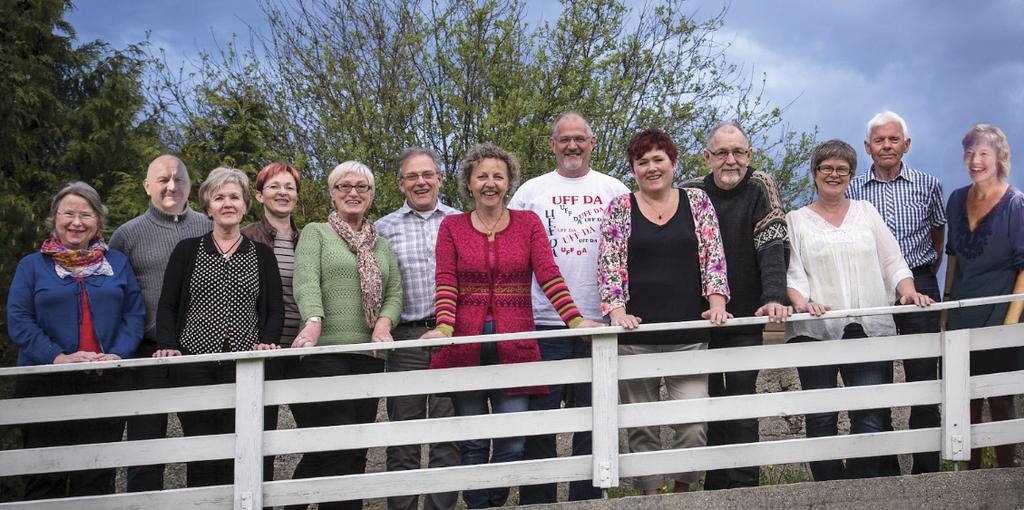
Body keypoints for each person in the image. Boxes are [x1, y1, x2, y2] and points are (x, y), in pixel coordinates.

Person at [421, 143, 601, 509]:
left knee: (513, 440)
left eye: (497, 176)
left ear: (509, 183)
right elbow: (446, 281)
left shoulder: (527, 224)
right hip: (464, 344)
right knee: (472, 441)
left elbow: (548, 275)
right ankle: (479, 506)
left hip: (516, 342)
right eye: (482, 176)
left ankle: (493, 501)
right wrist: (443, 327)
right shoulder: (451, 227)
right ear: (468, 184)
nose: (490, 183)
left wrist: (575, 319)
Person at [785, 140, 933, 481]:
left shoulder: (866, 212)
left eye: (842, 169)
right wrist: (803, 304)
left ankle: (861, 491)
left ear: (851, 175)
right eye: (827, 168)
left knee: (870, 416)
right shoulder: (797, 220)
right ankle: (829, 493)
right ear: (815, 173)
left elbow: (892, 261)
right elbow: (793, 272)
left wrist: (908, 292)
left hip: (869, 327)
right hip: (816, 330)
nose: (834, 175)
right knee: (821, 419)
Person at [598, 128, 731, 494]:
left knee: (692, 424)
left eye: (659, 160)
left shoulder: (698, 202)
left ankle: (683, 492)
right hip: (636, 338)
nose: (651, 168)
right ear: (633, 169)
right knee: (642, 427)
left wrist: (717, 302)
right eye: (642, 162)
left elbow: (714, 257)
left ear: (673, 163)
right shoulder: (620, 208)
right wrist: (616, 312)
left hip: (688, 337)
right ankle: (652, 496)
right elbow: (610, 264)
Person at [509, 111, 628, 504]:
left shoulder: (614, 190)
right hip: (544, 323)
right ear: (552, 144)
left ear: (592, 143)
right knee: (541, 420)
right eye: (565, 139)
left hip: (600, 324)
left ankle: (586, 499)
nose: (573, 145)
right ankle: (538, 499)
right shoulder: (531, 192)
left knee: (594, 420)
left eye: (580, 138)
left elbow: (630, 251)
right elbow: (511, 251)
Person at [7, 182, 145, 499]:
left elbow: (134, 316)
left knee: (96, 477)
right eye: (68, 213)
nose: (77, 222)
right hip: (44, 382)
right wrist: (58, 358)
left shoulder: (118, 264)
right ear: (54, 218)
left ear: (98, 221)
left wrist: (116, 354)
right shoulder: (31, 266)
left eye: (86, 214)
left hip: (105, 380)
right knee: (44, 477)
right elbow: (19, 320)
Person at [153, 167, 284, 488]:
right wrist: (168, 344)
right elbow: (167, 305)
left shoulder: (261, 254)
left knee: (245, 447)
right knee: (202, 450)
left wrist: (267, 341)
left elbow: (275, 310)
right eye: (219, 197)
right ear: (208, 206)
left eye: (234, 197)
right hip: (194, 362)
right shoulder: (187, 250)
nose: (228, 203)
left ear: (245, 205)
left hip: (245, 365)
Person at [682, 120, 790, 489]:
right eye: (722, 153)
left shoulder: (760, 185)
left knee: (741, 394)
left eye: (739, 152)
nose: (731, 160)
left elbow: (773, 244)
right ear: (707, 157)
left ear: (750, 155)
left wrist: (774, 296)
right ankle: (714, 485)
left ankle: (744, 484)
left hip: (746, 311)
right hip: (701, 315)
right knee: (707, 398)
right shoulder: (691, 192)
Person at [291, 161, 402, 510]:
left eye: (361, 187)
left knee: (356, 447)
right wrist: (313, 320)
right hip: (325, 352)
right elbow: (306, 280)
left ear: (370, 195)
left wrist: (383, 324)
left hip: (367, 356)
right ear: (332, 193)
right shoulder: (316, 233)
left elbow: (394, 292)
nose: (353, 193)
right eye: (344, 186)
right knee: (333, 442)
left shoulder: (380, 244)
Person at [847, 111, 945, 474]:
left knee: (923, 378)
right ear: (867, 147)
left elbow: (938, 238)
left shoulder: (928, 184)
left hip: (920, 283)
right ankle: (884, 471)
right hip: (870, 287)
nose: (886, 146)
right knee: (875, 378)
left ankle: (926, 471)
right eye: (879, 140)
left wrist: (922, 278)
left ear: (906, 144)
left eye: (893, 139)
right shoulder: (852, 189)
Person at [109, 154, 211, 492]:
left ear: (189, 186)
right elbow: (116, 299)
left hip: (199, 355)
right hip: (147, 355)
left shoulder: (209, 229)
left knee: (205, 446)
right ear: (147, 186)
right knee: (146, 447)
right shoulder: (127, 236)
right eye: (163, 179)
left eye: (179, 179)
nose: (172, 186)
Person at [376, 147, 460, 510]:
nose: (421, 182)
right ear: (400, 184)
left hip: (449, 336)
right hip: (406, 338)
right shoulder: (383, 229)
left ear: (440, 179)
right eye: (412, 176)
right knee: (404, 434)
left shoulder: (460, 221)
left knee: (447, 432)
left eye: (428, 174)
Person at [944, 124, 1023, 469]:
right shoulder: (956, 199)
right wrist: (945, 314)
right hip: (961, 315)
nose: (975, 160)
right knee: (965, 404)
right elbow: (953, 257)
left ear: (999, 158)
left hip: (1001, 315)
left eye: (983, 153)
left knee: (1001, 399)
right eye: (970, 153)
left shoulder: (1017, 204)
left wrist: (1008, 325)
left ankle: (1007, 475)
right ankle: (970, 481)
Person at [240, 162, 303, 482]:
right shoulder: (245, 239)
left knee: (317, 435)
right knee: (258, 437)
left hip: (301, 348)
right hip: (261, 348)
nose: (283, 193)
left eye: (289, 187)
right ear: (260, 195)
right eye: (275, 187)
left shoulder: (307, 238)